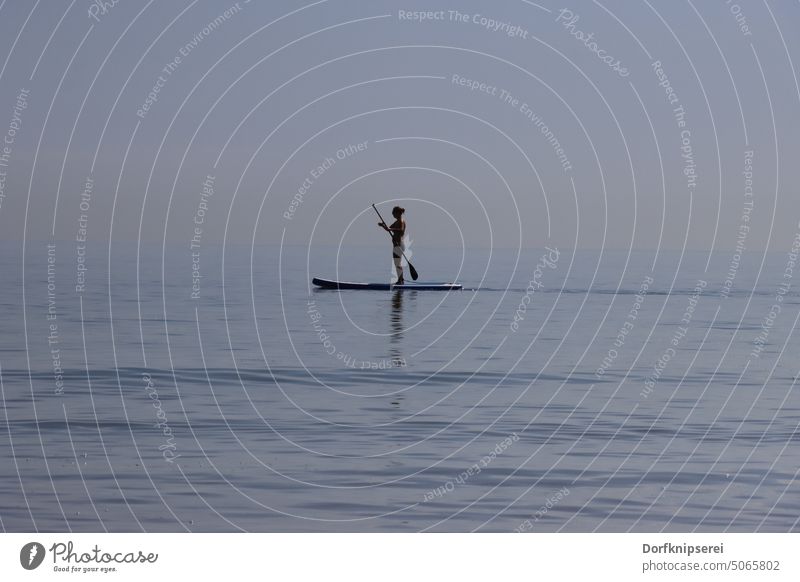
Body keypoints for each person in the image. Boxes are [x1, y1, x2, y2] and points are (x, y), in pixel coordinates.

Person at [378, 206, 406, 284]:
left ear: (397, 213)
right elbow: (388, 229)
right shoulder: (396, 222)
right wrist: (383, 225)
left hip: (399, 244)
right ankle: (401, 280)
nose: (393, 215)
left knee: (397, 263)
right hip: (396, 245)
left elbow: (401, 230)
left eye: (393, 213)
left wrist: (391, 229)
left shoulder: (401, 221)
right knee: (396, 263)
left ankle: (400, 281)